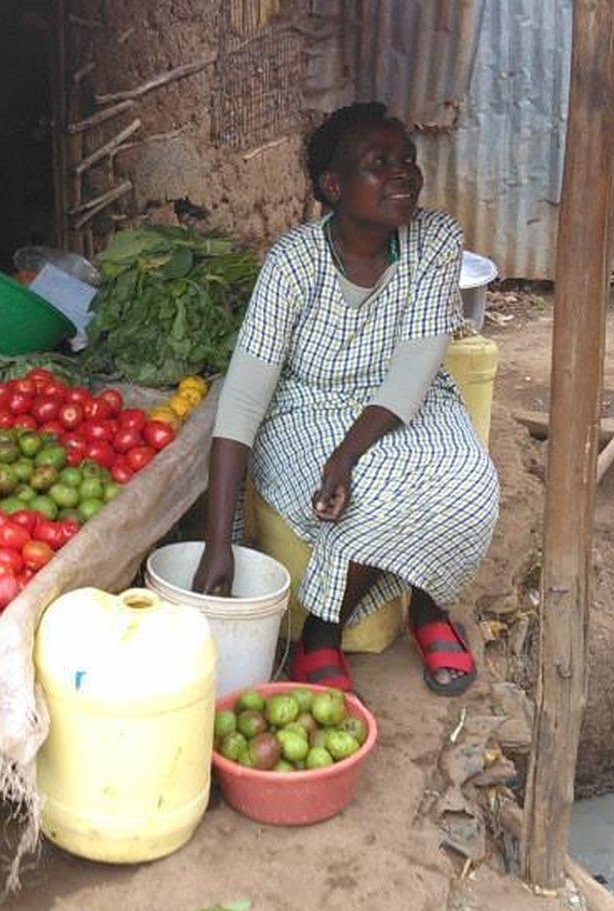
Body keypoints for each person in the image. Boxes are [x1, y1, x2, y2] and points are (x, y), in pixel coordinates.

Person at [192, 102, 498, 697]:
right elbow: (245, 400)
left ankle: (429, 609)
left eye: (406, 160)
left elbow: (414, 369)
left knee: (468, 481)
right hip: (306, 408)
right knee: (367, 499)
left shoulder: (435, 240)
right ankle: (321, 636)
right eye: (378, 163)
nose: (402, 173)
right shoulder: (292, 263)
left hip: (406, 402)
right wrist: (218, 545)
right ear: (334, 186)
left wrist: (346, 455)